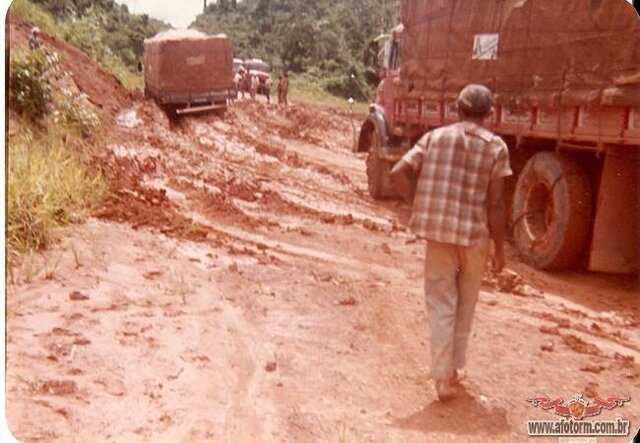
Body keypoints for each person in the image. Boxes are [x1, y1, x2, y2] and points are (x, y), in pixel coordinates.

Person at [390, 84, 512, 402]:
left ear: (457, 110)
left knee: (441, 303)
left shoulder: (436, 137)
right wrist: (500, 250)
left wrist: (417, 204)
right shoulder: (496, 147)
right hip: (475, 237)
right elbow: (496, 205)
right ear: (489, 114)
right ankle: (455, 369)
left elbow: (399, 170)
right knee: (465, 303)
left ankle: (442, 378)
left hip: (440, 234)